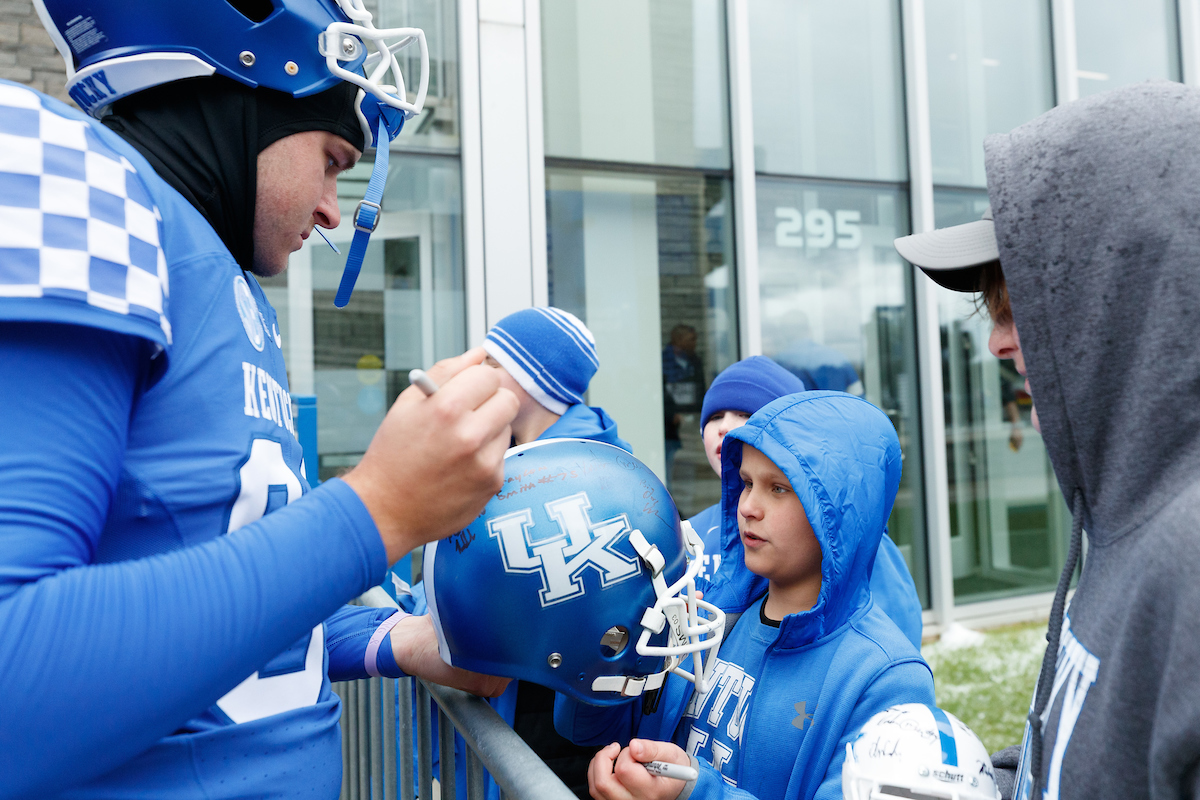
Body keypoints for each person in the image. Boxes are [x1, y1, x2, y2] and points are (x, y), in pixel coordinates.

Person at [0, 2, 519, 797]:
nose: (330, 211)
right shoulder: (80, 182)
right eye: (334, 158)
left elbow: (222, 598)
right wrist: (377, 510)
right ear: (246, 76)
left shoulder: (208, 264)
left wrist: (393, 640)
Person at [893, 81, 1200, 800]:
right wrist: (987, 783)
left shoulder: (1189, 560)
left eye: (1027, 300)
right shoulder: (1132, 524)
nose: (997, 342)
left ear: (1127, 292)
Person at [557, 391, 935, 800]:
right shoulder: (712, 615)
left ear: (840, 515)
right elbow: (596, 730)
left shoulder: (889, 677)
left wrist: (692, 793)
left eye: (779, 488)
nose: (748, 506)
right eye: (748, 483)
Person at [389, 305, 631, 800]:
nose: (479, 373)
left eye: (495, 364)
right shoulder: (533, 460)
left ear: (532, 383)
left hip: (544, 721)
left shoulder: (549, 482)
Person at [691, 356, 925, 648]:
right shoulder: (690, 531)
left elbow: (894, 636)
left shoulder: (849, 539)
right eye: (714, 416)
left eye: (743, 414)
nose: (725, 427)